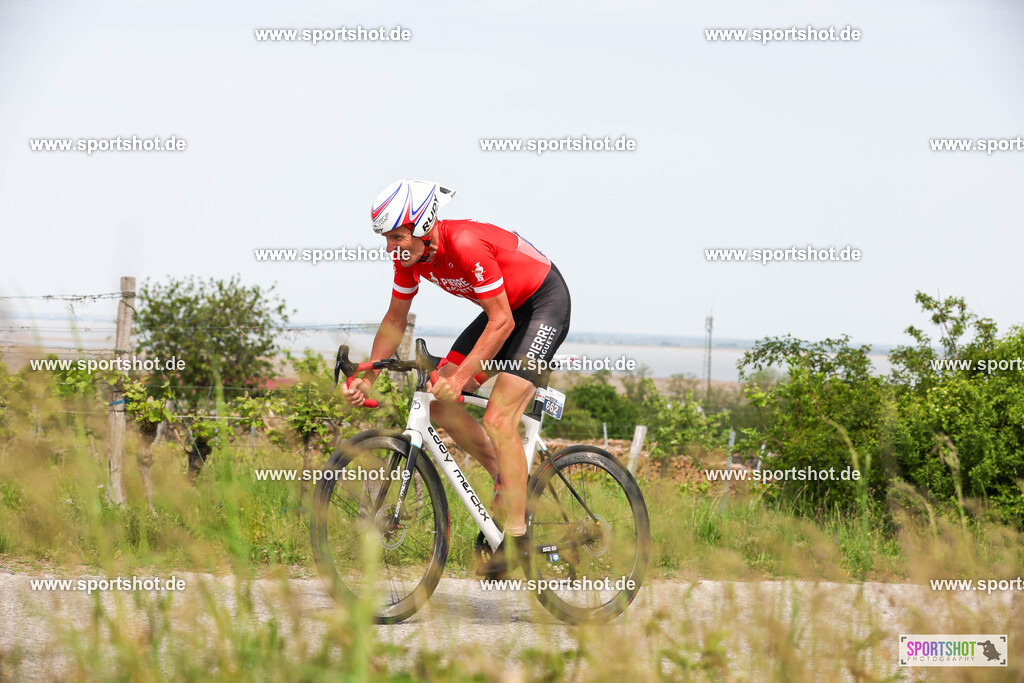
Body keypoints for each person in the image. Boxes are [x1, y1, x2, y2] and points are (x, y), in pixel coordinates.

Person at [342, 178, 571, 576]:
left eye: (397, 236)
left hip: (541, 305)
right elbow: (395, 320)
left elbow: (502, 323)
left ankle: (517, 540)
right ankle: (505, 475)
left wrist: (463, 375)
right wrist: (369, 377)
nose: (391, 247)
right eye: (386, 238)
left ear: (424, 225)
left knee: (499, 419)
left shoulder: (463, 243)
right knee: (437, 399)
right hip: (503, 311)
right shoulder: (409, 258)